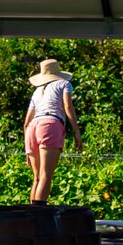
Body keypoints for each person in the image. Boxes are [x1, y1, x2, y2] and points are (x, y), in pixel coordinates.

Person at [24, 56, 81, 202]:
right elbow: (68, 107)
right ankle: (40, 215)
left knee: (36, 177)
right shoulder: (64, 84)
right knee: (46, 176)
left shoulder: (36, 92)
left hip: (32, 128)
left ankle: (31, 214)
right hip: (50, 124)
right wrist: (76, 131)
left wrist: (27, 149)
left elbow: (26, 123)